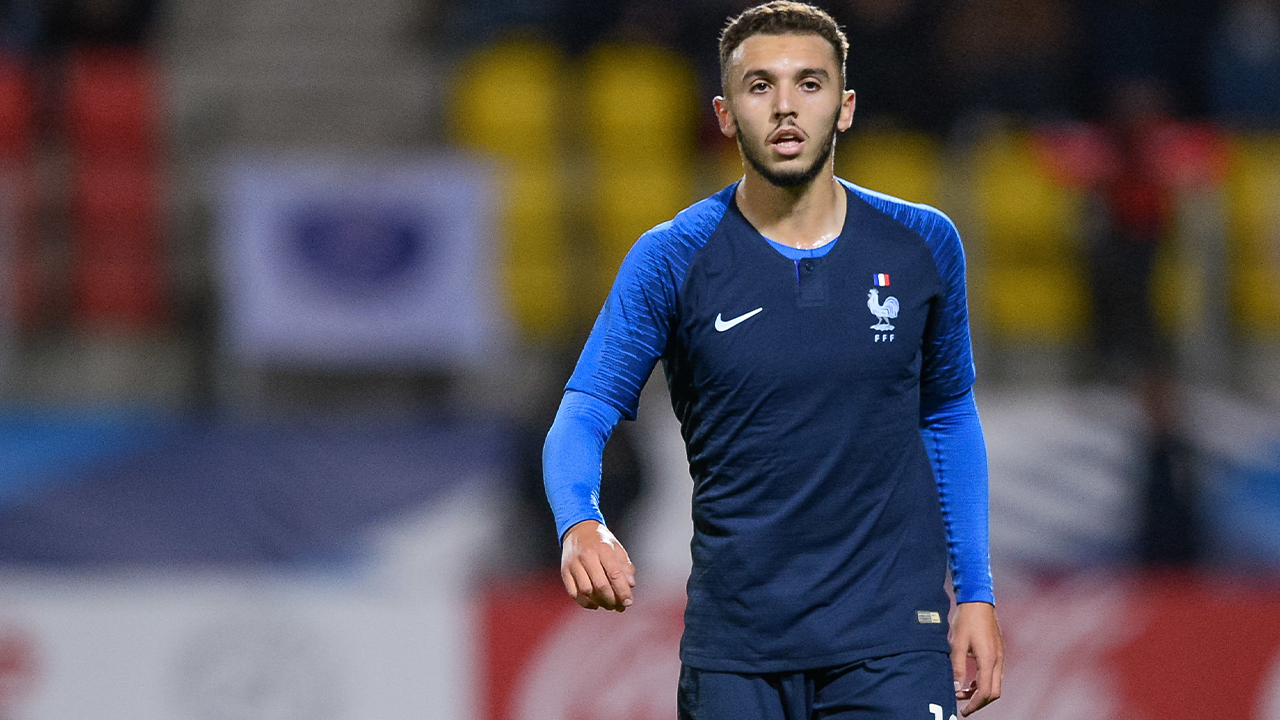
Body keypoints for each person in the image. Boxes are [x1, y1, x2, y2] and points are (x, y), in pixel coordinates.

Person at [542, 2, 1004, 718]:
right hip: (738, 652)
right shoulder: (672, 257)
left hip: (891, 643)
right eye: (760, 86)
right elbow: (585, 411)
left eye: (809, 83)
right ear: (725, 115)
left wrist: (976, 592)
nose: (786, 105)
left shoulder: (922, 243)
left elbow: (947, 416)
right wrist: (580, 520)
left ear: (845, 107)